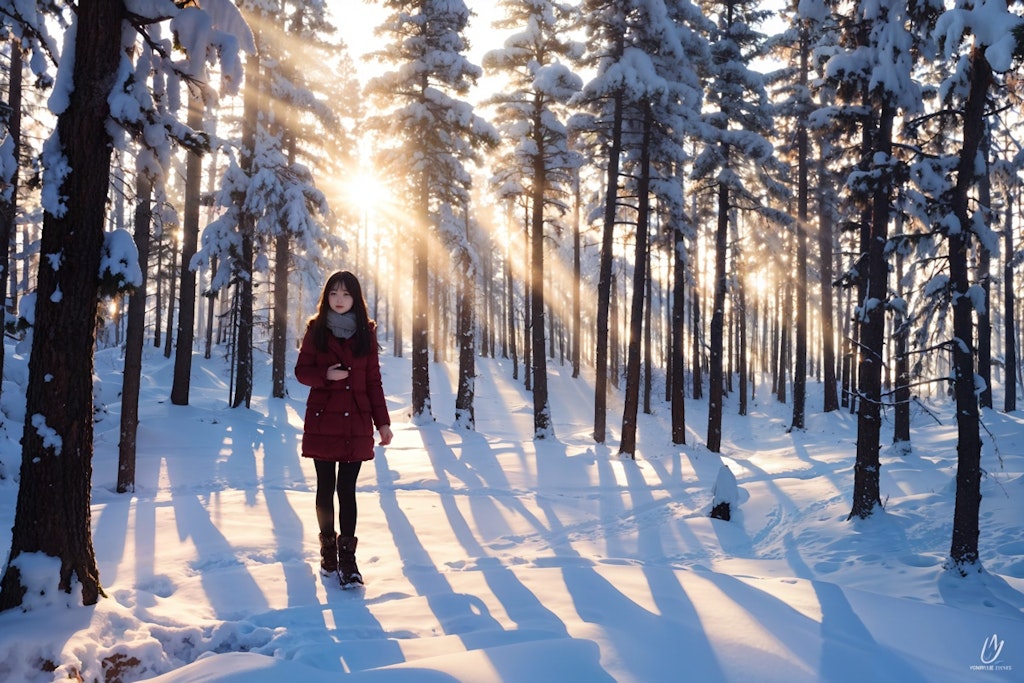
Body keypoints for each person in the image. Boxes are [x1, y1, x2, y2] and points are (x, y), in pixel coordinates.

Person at [295, 270, 392, 587]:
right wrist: (326, 375)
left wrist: (384, 423)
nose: (339, 299)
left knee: (347, 491)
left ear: (356, 299)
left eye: (346, 294)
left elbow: (373, 381)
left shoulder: (366, 333)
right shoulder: (316, 330)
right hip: (324, 421)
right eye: (334, 293)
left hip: (356, 422)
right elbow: (301, 372)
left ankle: (348, 560)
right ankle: (328, 552)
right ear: (327, 297)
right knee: (325, 488)